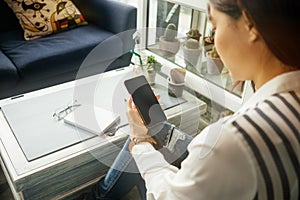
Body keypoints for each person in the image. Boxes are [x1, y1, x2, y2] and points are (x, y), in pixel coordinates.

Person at [83, 0, 300, 199]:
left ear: (250, 26)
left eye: (215, 28)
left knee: (146, 135)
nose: (213, 43)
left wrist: (140, 142)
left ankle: (98, 195)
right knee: (158, 127)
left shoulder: (234, 139)